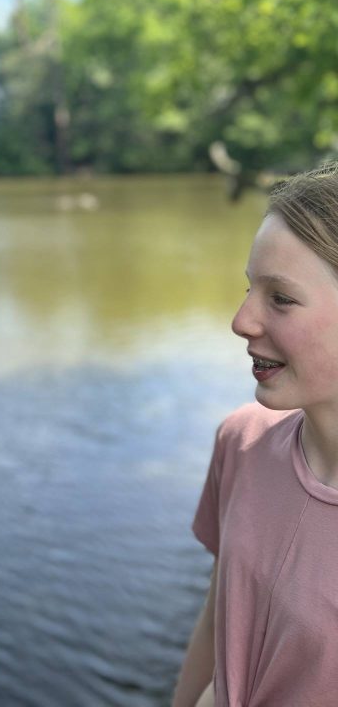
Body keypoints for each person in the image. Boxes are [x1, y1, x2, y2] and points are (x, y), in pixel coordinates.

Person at [172, 164, 338, 706]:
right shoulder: (240, 444)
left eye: (280, 299)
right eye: (249, 289)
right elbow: (217, 621)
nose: (242, 320)